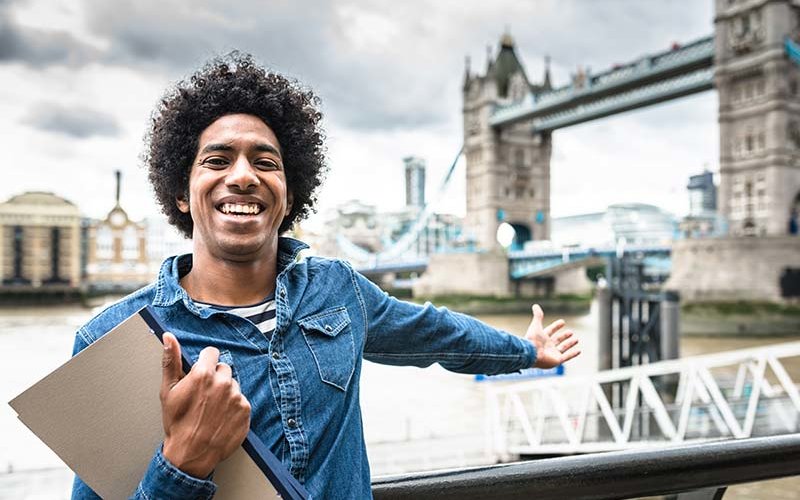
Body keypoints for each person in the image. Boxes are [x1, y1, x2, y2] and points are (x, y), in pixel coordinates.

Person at [70, 52, 580, 499]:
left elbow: (435, 331)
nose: (243, 175)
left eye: (265, 162)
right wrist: (179, 466)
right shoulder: (112, 341)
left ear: (289, 194)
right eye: (217, 160)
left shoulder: (339, 290)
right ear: (181, 193)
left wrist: (527, 352)